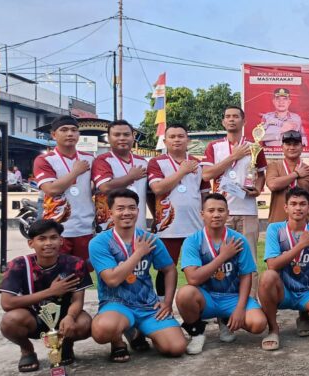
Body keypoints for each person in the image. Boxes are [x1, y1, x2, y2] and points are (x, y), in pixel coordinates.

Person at [89, 189, 186, 362]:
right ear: (110, 213)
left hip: (147, 305)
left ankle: (138, 330)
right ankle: (118, 341)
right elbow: (112, 280)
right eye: (120, 208)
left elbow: (169, 269)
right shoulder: (99, 242)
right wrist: (138, 253)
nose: (126, 212)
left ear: (138, 211)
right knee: (102, 330)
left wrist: (167, 302)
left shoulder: (150, 239)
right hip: (116, 303)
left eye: (131, 208)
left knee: (176, 347)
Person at [0, 220, 93, 373]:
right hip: (33, 318)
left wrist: (70, 316)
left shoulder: (75, 264)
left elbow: (77, 299)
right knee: (10, 321)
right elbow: (7, 303)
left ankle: (65, 345)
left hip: (63, 318)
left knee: (85, 323)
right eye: (42, 239)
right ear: (31, 243)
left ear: (61, 241)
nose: (48, 243)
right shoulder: (19, 264)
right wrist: (51, 292)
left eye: (53, 237)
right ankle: (27, 350)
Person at [176, 194, 266, 355]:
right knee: (184, 294)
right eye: (211, 210)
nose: (216, 214)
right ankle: (197, 332)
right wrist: (223, 256)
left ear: (227, 213)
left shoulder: (238, 240)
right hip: (206, 297)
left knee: (258, 324)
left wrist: (239, 308)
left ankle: (226, 320)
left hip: (232, 297)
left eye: (220, 210)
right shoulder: (193, 241)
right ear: (202, 214)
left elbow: (246, 275)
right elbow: (193, 278)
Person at [258, 187, 309, 350]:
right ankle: (273, 329)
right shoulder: (274, 229)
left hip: (307, 290)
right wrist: (301, 245)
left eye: (302, 204)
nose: (298, 208)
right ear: (286, 207)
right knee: (267, 277)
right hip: (283, 291)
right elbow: (272, 264)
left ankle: (304, 316)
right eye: (293, 204)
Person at [147, 124, 209, 296]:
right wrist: (182, 171)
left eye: (181, 136)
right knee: (166, 268)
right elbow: (157, 189)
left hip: (195, 226)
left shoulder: (198, 163)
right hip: (168, 227)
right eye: (172, 137)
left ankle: (197, 314)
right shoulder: (156, 162)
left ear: (188, 140)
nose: (176, 140)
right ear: (165, 141)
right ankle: (163, 306)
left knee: (198, 269)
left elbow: (204, 195)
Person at [202, 106, 267, 261]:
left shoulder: (254, 147)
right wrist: (233, 157)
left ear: (244, 121)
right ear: (223, 122)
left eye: (236, 116)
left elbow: (260, 175)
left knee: (249, 258)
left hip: (247, 210)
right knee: (220, 258)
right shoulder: (214, 146)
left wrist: (257, 189)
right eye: (228, 116)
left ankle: (251, 287)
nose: (231, 119)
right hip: (221, 211)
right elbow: (206, 175)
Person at [33, 115, 95, 265]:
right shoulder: (44, 160)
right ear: (54, 135)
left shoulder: (90, 159)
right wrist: (75, 172)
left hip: (85, 227)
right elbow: (51, 189)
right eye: (64, 130)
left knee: (82, 274)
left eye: (74, 130)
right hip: (56, 230)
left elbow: (96, 187)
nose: (70, 134)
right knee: (55, 274)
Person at [93, 120, 149, 231]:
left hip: (139, 226)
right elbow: (105, 187)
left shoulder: (143, 162)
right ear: (108, 138)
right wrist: (131, 177)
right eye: (117, 135)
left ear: (133, 137)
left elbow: (150, 193)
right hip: (110, 227)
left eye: (126, 134)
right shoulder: (102, 160)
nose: (122, 138)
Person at [265, 130, 309, 224]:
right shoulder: (274, 166)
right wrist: (296, 174)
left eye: (295, 144)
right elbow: (273, 185)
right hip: (278, 223)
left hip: (304, 224)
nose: (292, 147)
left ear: (302, 147)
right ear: (282, 147)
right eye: (288, 144)